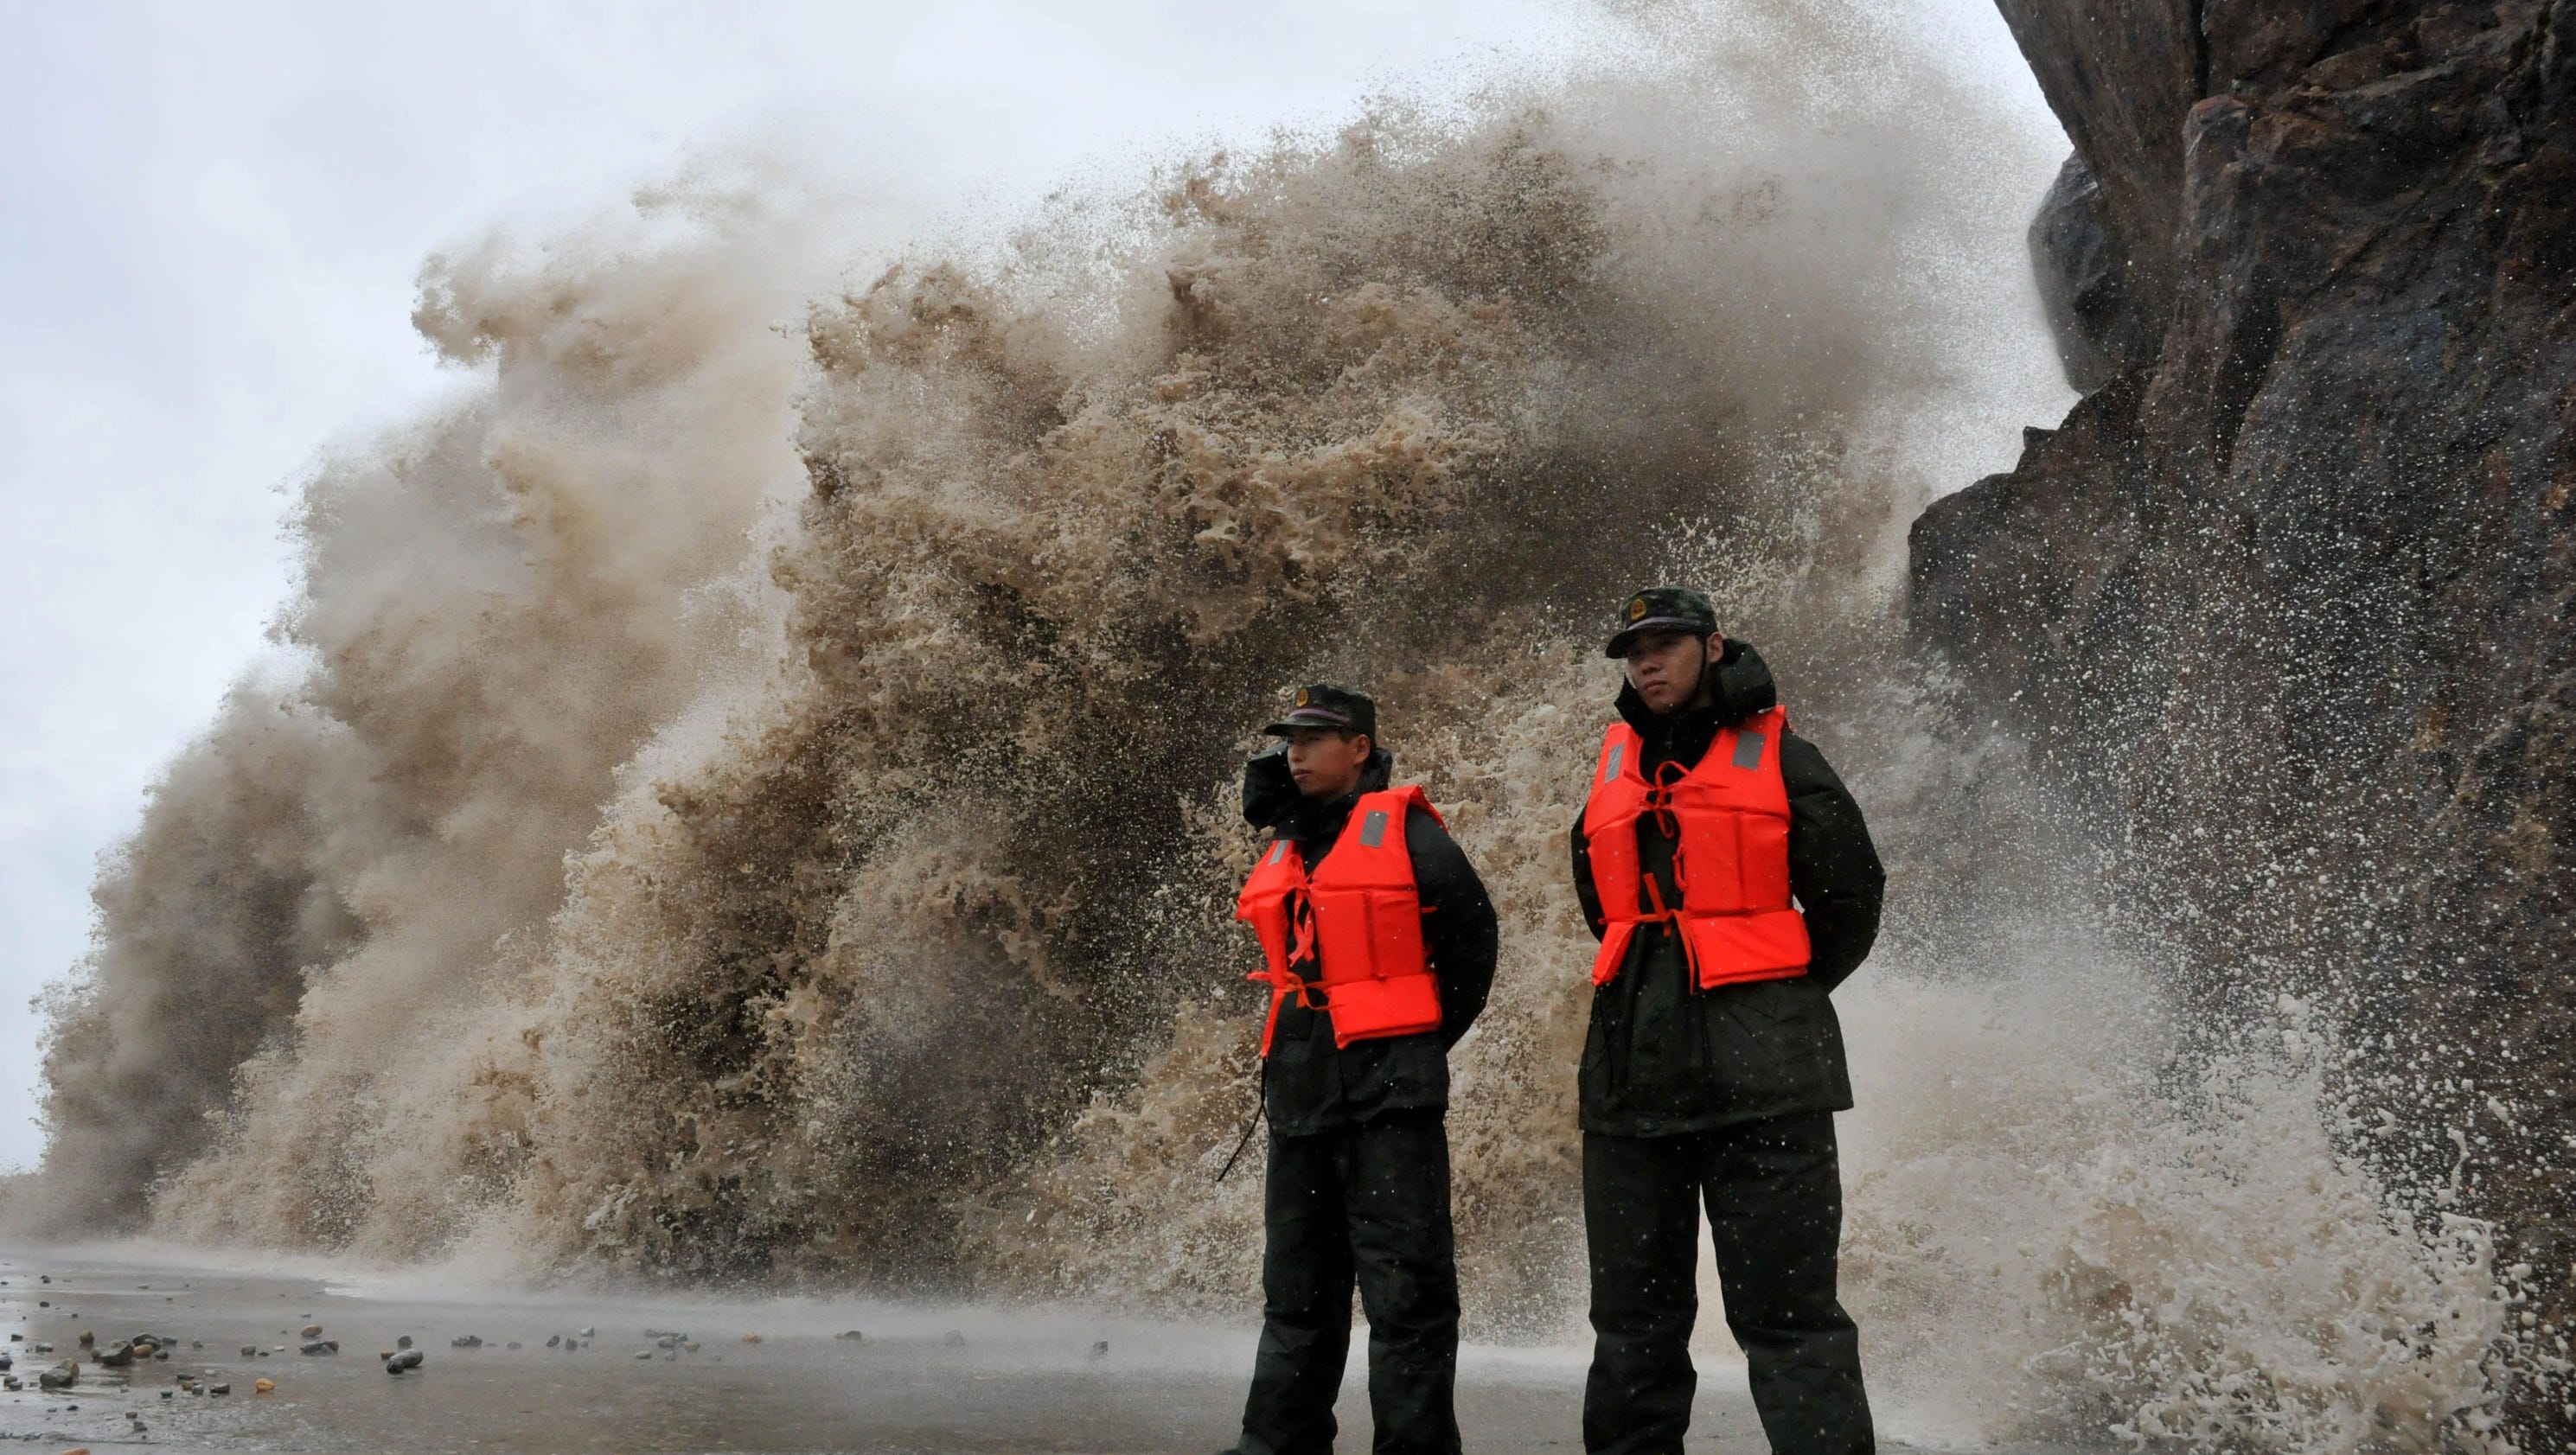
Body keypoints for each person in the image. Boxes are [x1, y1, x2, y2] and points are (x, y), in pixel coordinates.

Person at [1569, 588, 1885, 1455]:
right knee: (1632, 1327)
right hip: (1631, 1091)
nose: (1646, 661)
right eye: (1634, 649)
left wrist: (1773, 999)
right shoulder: (1611, 768)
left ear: (1712, 648)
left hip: (1769, 1091)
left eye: (1665, 643)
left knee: (1790, 1323)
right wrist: (1661, 988)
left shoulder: (1784, 754)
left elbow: (1851, 895)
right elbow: (1603, 901)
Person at [1225, 683, 1499, 1455]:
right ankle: (1277, 1440)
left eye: (1316, 738)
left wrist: (1411, 1044)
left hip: (1389, 1096)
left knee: (1404, 1292)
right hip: (1301, 1092)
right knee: (1297, 1287)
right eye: (1290, 740)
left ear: (1360, 748)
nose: (1297, 753)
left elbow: (1474, 946)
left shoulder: (1410, 835)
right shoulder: (1287, 841)